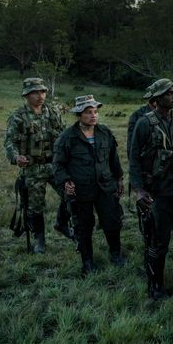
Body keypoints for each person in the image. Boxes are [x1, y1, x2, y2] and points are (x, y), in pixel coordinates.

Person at [129, 79, 173, 299]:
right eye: (169, 93)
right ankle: (156, 285)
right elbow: (134, 159)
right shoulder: (144, 123)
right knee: (159, 241)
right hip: (157, 191)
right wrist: (139, 190)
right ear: (156, 99)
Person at [52, 95, 125, 275]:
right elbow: (58, 165)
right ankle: (88, 261)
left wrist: (119, 178)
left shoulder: (104, 133)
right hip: (81, 189)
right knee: (84, 226)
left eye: (95, 112)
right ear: (79, 114)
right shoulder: (67, 137)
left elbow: (113, 159)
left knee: (112, 221)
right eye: (88, 112)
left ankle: (115, 254)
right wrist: (65, 182)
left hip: (106, 186)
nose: (93, 115)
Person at [4, 77, 68, 253]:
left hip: (55, 166)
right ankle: (39, 239)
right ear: (26, 95)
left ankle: (61, 224)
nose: (40, 96)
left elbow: (64, 137)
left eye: (43, 91)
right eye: (35, 92)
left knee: (71, 194)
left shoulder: (53, 112)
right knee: (35, 206)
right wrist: (16, 158)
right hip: (33, 169)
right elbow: (9, 143)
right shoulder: (18, 117)